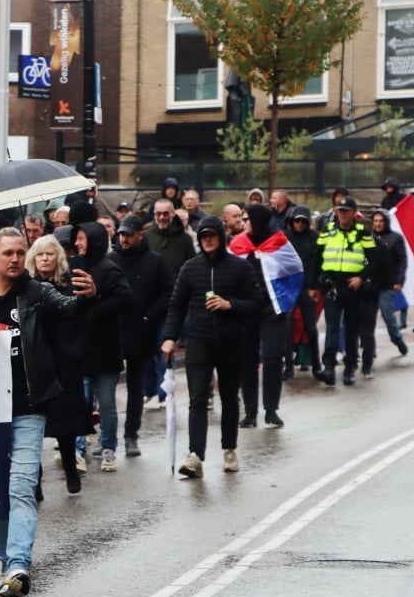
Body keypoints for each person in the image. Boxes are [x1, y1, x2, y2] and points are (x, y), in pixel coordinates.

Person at [0, 228, 97, 597]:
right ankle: (1, 560)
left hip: (29, 407)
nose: (16, 259)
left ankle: (18, 567)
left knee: (20, 486)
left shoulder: (37, 293)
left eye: (21, 252)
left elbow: (69, 309)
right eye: (8, 253)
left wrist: (87, 297)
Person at [161, 216, 260, 478]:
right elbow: (176, 306)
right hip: (199, 342)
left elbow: (256, 303)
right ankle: (195, 456)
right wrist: (170, 337)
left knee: (229, 397)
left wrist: (230, 305)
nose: (207, 239)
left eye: (212, 235)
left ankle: (229, 449)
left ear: (221, 236)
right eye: (203, 235)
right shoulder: (190, 268)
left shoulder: (240, 267)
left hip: (231, 343)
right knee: (197, 399)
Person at [28, 235, 91, 495]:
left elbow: (79, 314)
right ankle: (36, 480)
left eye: (49, 254)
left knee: (65, 423)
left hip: (64, 361)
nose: (44, 258)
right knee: (32, 425)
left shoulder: (68, 285)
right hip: (34, 361)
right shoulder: (27, 287)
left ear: (58, 258)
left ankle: (70, 469)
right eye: (39, 254)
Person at [73, 221, 134, 472]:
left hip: (105, 348)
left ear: (95, 240)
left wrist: (95, 302)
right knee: (80, 403)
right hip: (80, 348)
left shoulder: (109, 269)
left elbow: (125, 299)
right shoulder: (75, 267)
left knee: (107, 403)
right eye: (76, 238)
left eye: (82, 238)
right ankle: (77, 450)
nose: (77, 243)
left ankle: (108, 448)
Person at [230, 204, 298, 428]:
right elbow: (226, 272)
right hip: (247, 309)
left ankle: (271, 410)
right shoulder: (238, 243)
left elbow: (295, 269)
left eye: (247, 219)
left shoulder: (278, 242)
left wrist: (286, 299)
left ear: (258, 220)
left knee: (272, 357)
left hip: (272, 309)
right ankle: (250, 412)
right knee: (247, 360)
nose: (243, 223)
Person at [111, 214, 173, 458]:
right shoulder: (111, 260)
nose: (124, 239)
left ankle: (131, 435)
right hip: (113, 332)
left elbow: (168, 291)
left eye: (128, 235)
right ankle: (106, 439)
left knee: (136, 388)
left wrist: (150, 316)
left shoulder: (155, 261)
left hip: (141, 332)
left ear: (140, 235)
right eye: (121, 235)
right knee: (106, 389)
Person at [309, 196, 377, 387]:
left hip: (353, 287)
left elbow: (374, 261)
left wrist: (361, 278)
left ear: (354, 213)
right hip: (332, 286)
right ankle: (329, 367)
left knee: (352, 328)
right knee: (331, 326)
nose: (343, 214)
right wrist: (313, 285)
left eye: (346, 211)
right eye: (340, 211)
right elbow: (317, 258)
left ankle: (350, 367)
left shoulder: (363, 232)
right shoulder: (328, 230)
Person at [365, 209, 410, 370]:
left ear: (386, 222)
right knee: (368, 319)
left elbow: (402, 260)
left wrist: (400, 279)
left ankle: (397, 339)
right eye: (375, 221)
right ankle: (370, 347)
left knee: (388, 316)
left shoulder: (395, 238)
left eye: (381, 221)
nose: (378, 224)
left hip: (388, 284)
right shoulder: (367, 238)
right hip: (371, 285)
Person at [282, 206, 323, 379]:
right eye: (296, 220)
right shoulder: (284, 237)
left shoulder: (315, 238)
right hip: (289, 287)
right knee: (287, 327)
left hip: (308, 287)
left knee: (310, 327)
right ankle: (288, 367)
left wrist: (314, 286)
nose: (299, 224)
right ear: (292, 221)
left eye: (303, 221)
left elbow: (318, 264)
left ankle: (316, 365)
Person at [145, 198, 197, 277]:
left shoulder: (185, 239)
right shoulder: (145, 238)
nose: (162, 217)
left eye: (165, 214)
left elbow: (192, 268)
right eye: (158, 214)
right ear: (154, 215)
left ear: (173, 213)